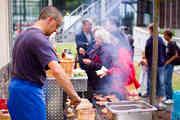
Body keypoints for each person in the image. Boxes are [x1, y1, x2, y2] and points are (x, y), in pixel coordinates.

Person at [7, 6, 81, 120]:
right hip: (29, 93)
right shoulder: (39, 38)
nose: (56, 31)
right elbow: (57, 70)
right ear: (50, 20)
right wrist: (74, 96)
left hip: (15, 90)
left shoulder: (23, 35)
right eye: (57, 26)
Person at [75, 18, 98, 101]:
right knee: (84, 78)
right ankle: (82, 95)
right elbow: (79, 44)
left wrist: (86, 45)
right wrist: (87, 44)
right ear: (84, 25)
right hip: (83, 60)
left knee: (92, 78)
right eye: (89, 24)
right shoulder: (79, 35)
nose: (91, 26)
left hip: (91, 59)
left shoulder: (92, 34)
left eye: (91, 24)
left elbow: (94, 44)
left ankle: (90, 95)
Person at [145, 24, 166, 109]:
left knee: (152, 82)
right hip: (160, 64)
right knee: (160, 83)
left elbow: (146, 52)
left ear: (151, 30)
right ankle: (159, 101)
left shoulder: (150, 39)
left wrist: (148, 60)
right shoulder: (161, 39)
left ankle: (152, 101)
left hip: (154, 64)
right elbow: (165, 51)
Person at [163, 30, 178, 103]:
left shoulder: (172, 43)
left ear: (168, 36)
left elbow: (176, 55)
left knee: (167, 81)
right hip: (167, 64)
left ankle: (170, 98)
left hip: (170, 65)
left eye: (165, 35)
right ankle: (167, 96)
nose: (164, 36)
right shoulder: (168, 43)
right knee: (165, 81)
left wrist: (168, 62)